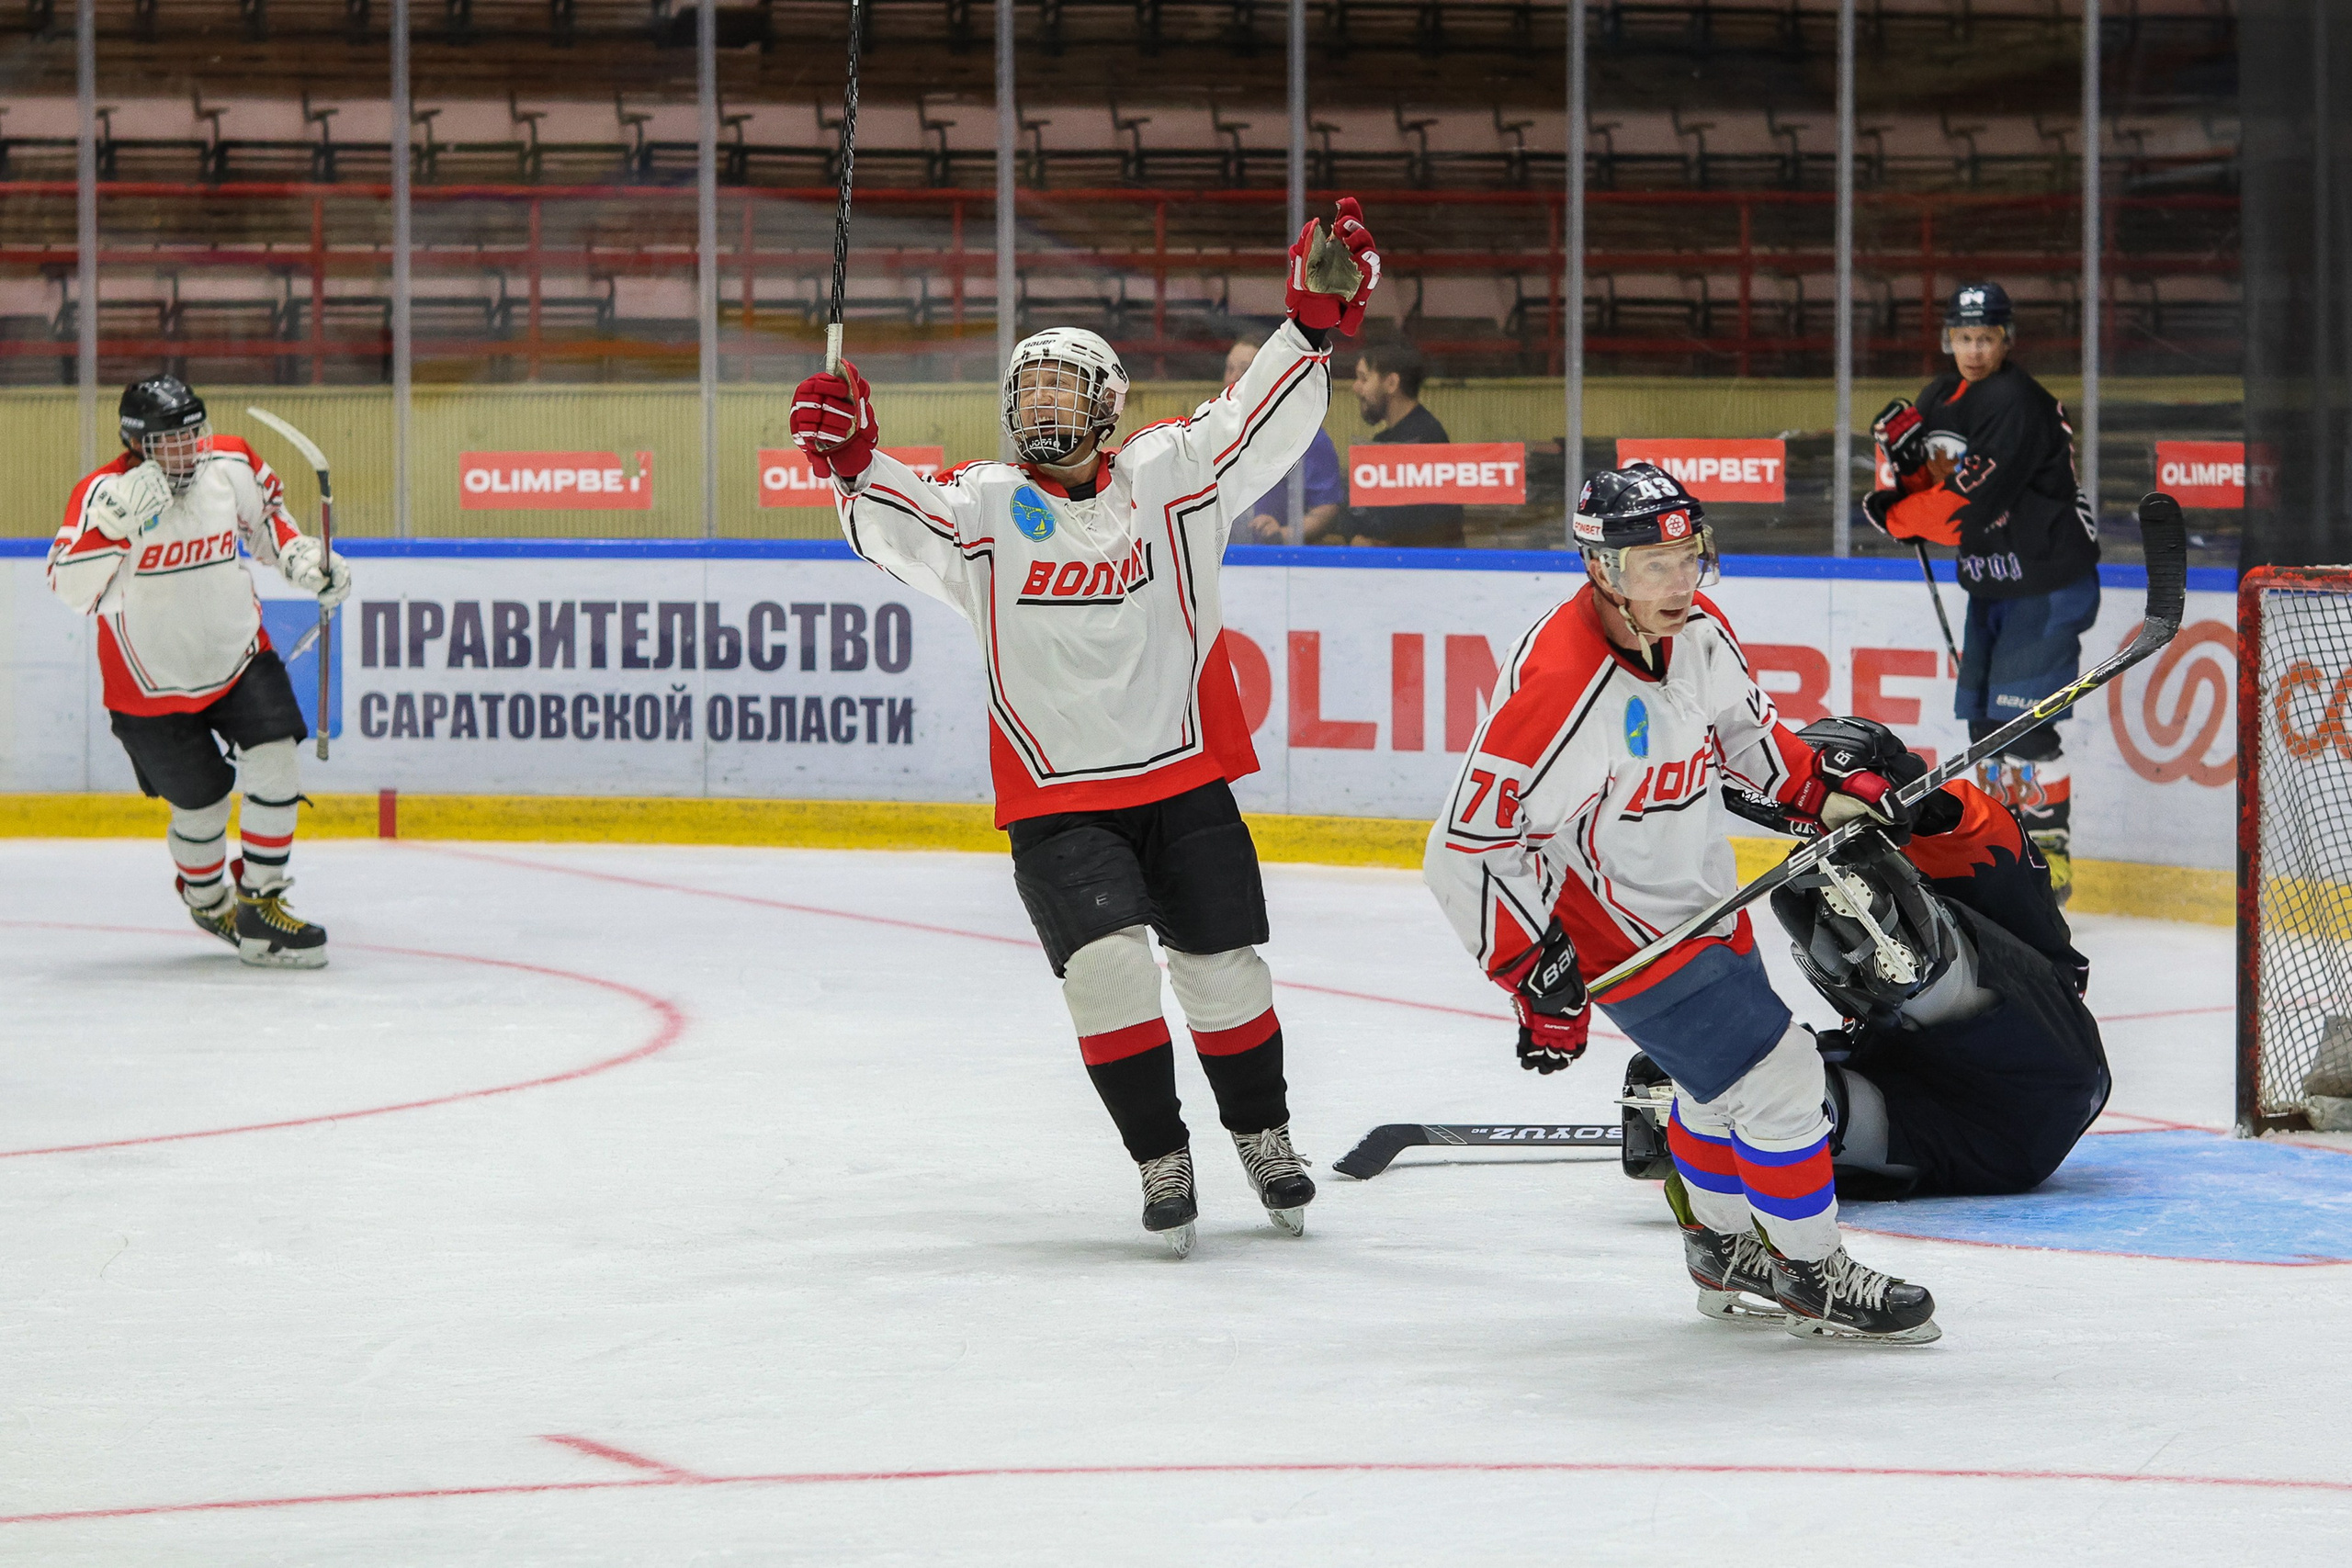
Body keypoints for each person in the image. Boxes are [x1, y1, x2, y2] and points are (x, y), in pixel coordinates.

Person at [790, 199, 1384, 1257]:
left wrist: (1311, 327)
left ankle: (1264, 1136)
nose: (1045, 402)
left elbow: (1255, 424)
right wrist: (850, 466)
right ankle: (1160, 1155)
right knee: (1106, 970)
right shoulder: (979, 507)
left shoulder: (1170, 477)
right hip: (1059, 801)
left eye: (1066, 384)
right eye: (1030, 386)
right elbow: (893, 526)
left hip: (1182, 775)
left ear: (1108, 403)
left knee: (1223, 971)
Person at [1424, 462, 1939, 1343]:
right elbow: (1463, 846)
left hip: (1701, 900)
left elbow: (1750, 739)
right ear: (1601, 569)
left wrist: (1828, 792)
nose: (1677, 583)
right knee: (1780, 1076)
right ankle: (1812, 1271)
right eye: (1651, 566)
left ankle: (1721, 1247)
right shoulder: (1561, 688)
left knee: (1714, 1092)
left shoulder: (1701, 632)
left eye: (1687, 558)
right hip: (1616, 932)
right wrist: (1530, 971)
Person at [1622, 726, 2109, 1225]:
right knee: (1776, 1095)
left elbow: (1954, 816)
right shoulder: (1839, 850)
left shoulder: (1960, 825)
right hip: (1968, 1136)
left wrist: (1910, 799)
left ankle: (1909, 977)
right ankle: (1786, 1115)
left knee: (1843, 894)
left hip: (2040, 1063)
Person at [46, 374, 353, 967]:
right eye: (171, 442)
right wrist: (110, 530)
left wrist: (308, 561)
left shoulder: (232, 462)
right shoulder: (101, 493)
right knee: (203, 806)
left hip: (239, 655)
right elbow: (71, 591)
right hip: (147, 685)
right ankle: (208, 900)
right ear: (136, 443)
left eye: (195, 436)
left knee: (275, 763)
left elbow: (273, 530)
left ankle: (262, 903)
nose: (189, 453)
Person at [1863, 281, 2100, 903]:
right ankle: (2004, 847)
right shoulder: (1941, 395)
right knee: (1982, 729)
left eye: (1986, 337)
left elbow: (1959, 513)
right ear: (1949, 338)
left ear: (2006, 340)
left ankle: (2050, 853)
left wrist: (1894, 513)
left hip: (2046, 583)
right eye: (1964, 337)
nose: (1974, 348)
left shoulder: (2016, 402)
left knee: (2022, 727)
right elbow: (1932, 481)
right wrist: (1902, 466)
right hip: (1994, 584)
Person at [1224, 335, 1346, 545]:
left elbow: (1326, 509)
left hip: (1280, 564)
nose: (1233, 378)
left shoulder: (1306, 435)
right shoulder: (1214, 429)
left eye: (1244, 370)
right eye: (1229, 369)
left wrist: (1283, 532)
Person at [1343, 340, 1464, 547]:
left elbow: (1438, 528)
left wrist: (1382, 543)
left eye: (1363, 378)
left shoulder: (1426, 439)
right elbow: (1357, 515)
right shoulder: (1383, 442)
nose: (1356, 387)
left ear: (1391, 383)